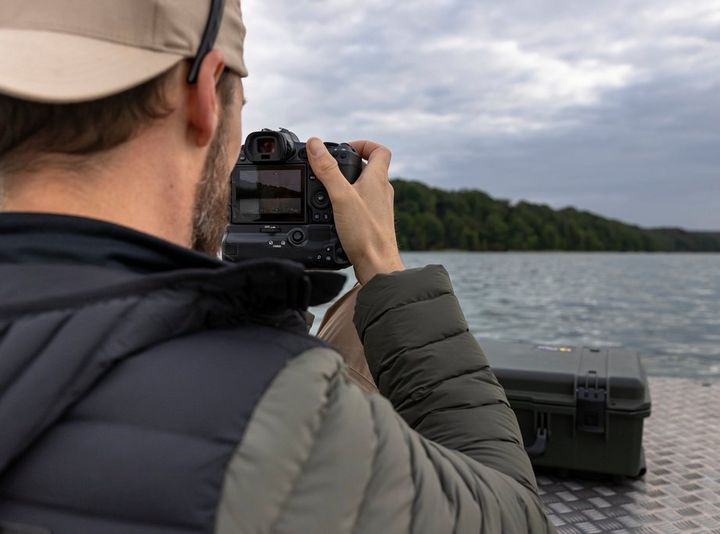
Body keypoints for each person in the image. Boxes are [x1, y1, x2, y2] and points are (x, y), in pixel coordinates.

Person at [0, 1, 553, 532]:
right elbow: (516, 517)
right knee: (362, 310)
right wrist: (382, 266)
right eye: (239, 101)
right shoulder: (276, 418)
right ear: (205, 97)